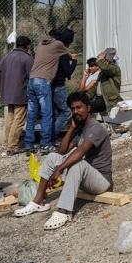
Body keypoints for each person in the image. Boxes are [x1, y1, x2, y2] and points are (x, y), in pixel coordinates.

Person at [14, 91, 112, 230]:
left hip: (101, 182)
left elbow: (80, 151)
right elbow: (61, 151)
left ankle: (63, 211)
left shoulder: (95, 128)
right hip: (84, 178)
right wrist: (71, 129)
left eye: (79, 107)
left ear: (88, 108)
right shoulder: (80, 128)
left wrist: (59, 170)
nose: (75, 111)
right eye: (73, 109)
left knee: (78, 163)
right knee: (52, 157)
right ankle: (38, 201)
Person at [23, 31, 69, 153]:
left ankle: (28, 145)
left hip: (31, 80)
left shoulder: (40, 45)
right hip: (43, 82)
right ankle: (45, 144)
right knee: (47, 114)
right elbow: (68, 54)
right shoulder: (58, 44)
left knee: (31, 115)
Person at [0, 36, 33, 150]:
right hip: (20, 93)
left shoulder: (7, 56)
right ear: (27, 46)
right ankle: (12, 146)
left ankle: (8, 142)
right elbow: (32, 75)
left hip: (7, 93)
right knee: (19, 120)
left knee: (10, 118)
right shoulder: (27, 58)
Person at [50, 29, 77, 138]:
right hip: (59, 86)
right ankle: (50, 136)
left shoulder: (52, 50)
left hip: (50, 85)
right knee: (67, 112)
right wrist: (74, 61)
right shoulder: (63, 53)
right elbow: (67, 72)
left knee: (55, 113)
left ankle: (50, 136)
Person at [96, 48, 123, 113]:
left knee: (87, 107)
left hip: (109, 101)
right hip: (100, 99)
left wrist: (100, 59)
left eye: (104, 59)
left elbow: (106, 68)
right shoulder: (102, 72)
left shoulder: (114, 68)